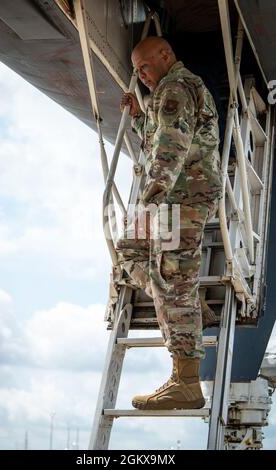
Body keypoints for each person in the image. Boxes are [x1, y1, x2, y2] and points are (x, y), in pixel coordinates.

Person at [117, 36, 223, 410]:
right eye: (136, 70)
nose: (140, 75)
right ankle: (189, 302)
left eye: (144, 66)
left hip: (180, 198)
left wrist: (150, 200)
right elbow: (167, 133)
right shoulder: (170, 90)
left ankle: (186, 382)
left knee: (169, 273)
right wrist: (140, 118)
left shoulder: (175, 86)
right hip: (177, 197)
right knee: (130, 251)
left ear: (166, 55)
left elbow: (170, 149)